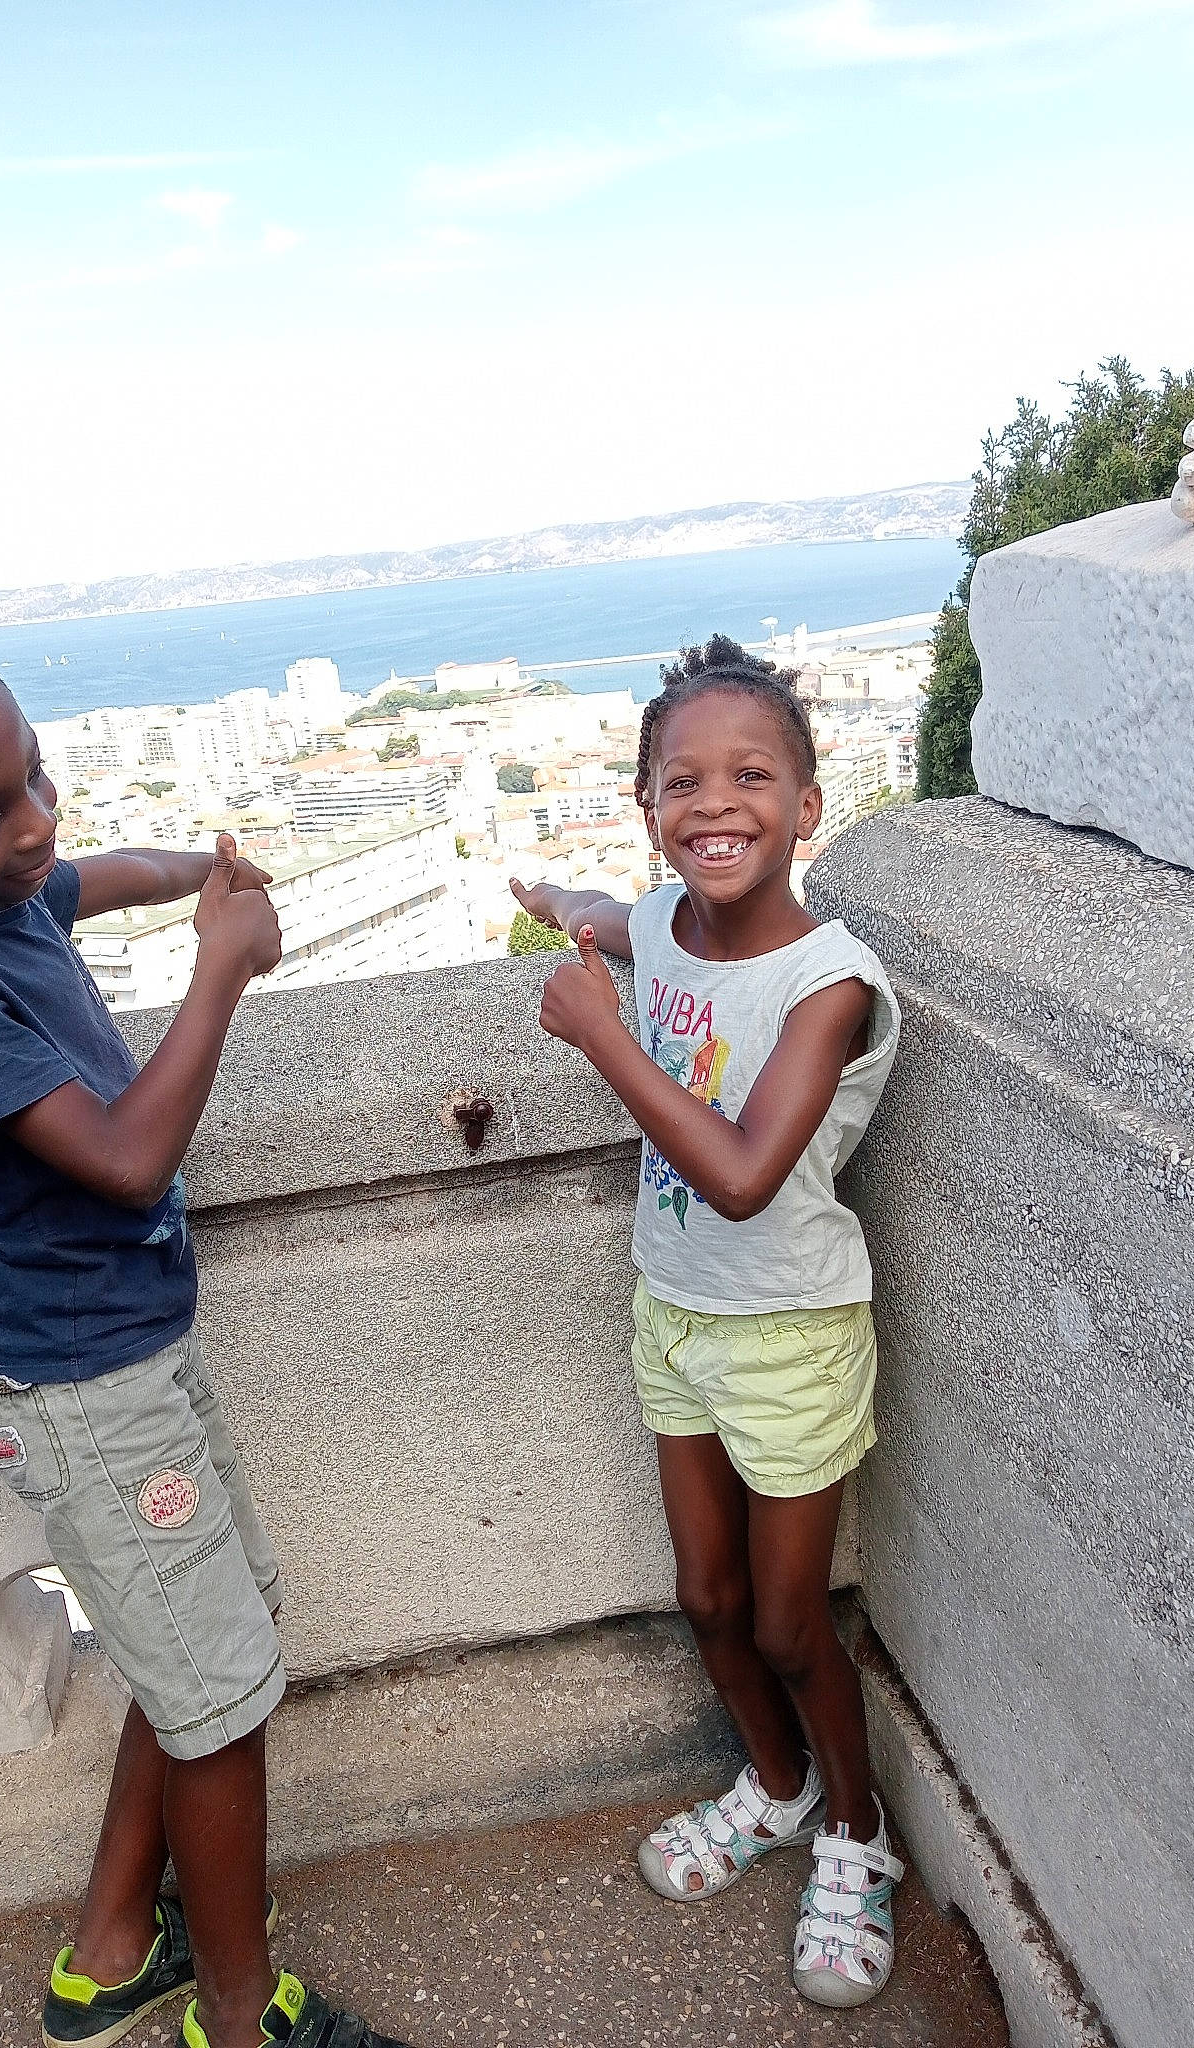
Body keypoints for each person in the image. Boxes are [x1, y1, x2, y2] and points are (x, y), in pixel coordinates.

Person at [0, 617, 409, 2048]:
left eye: (36, 780)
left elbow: (70, 883)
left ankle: (113, 1948)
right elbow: (122, 1157)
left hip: (120, 1353)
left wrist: (187, 874)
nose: (31, 830)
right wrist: (220, 968)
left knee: (204, 1663)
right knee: (220, 1702)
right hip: (77, 1378)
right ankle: (240, 2017)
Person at [509, 634, 905, 2010]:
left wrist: (605, 1040)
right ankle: (779, 1786)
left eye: (750, 777)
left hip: (788, 1327)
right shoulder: (663, 920)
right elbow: (622, 923)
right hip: (671, 1312)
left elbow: (741, 1178)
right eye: (680, 782)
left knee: (795, 1625)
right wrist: (559, 900)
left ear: (806, 805)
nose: (713, 803)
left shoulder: (827, 982)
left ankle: (858, 1836)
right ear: (644, 809)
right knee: (707, 1597)